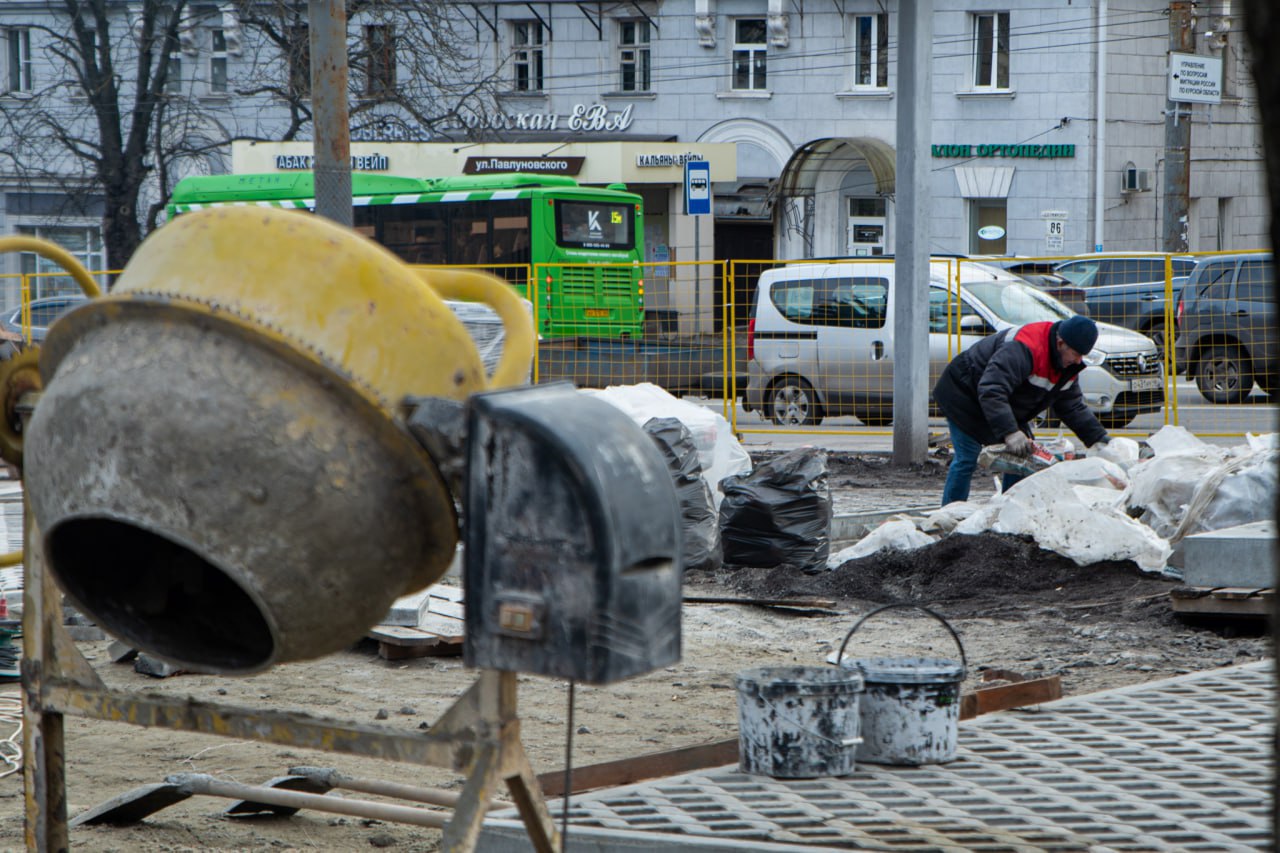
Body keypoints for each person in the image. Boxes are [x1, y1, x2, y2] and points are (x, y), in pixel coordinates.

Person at [932, 315, 1110, 506]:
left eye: (1082, 355)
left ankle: (1010, 510)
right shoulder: (1025, 347)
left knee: (1023, 456)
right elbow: (993, 389)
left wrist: (1100, 440)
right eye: (1076, 354)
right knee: (967, 457)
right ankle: (950, 513)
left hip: (1001, 402)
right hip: (963, 394)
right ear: (1060, 343)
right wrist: (1010, 432)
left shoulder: (1066, 366)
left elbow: (1072, 407)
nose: (1078, 361)